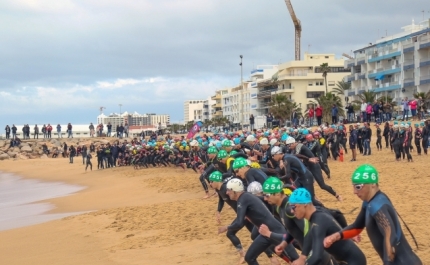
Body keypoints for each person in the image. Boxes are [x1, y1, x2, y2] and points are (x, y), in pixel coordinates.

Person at [324, 164, 422, 265]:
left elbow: (390, 236)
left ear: (373, 184)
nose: (354, 192)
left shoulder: (378, 206)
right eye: (353, 186)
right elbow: (357, 227)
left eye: (358, 187)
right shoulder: (369, 202)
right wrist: (334, 237)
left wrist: (387, 262)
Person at [217, 178, 296, 265]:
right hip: (265, 234)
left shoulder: (243, 198)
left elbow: (239, 222)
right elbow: (264, 200)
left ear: (235, 191)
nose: (227, 193)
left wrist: (227, 227)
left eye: (228, 190)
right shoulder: (246, 197)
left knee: (295, 260)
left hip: (275, 231)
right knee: (249, 257)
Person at [287, 188, 367, 265]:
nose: (291, 211)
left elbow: (317, 257)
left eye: (293, 207)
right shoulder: (317, 211)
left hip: (354, 261)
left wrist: (345, 233)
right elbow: (337, 213)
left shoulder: (318, 223)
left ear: (305, 204)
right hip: (346, 259)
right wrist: (343, 232)